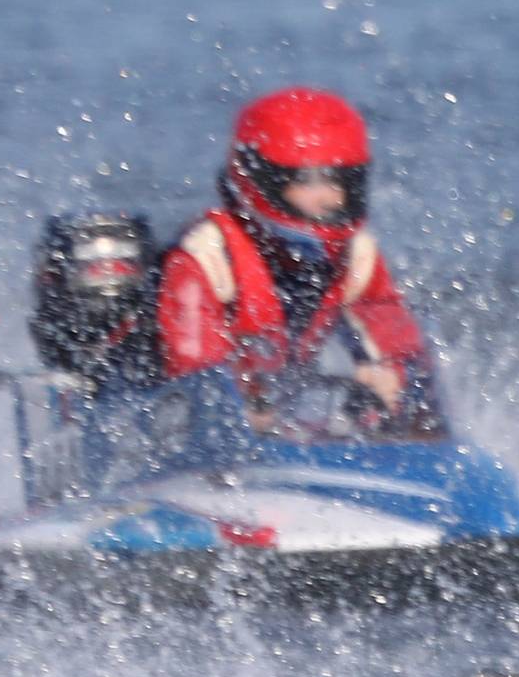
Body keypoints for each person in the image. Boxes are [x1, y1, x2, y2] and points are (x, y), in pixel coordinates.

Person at [156, 87, 434, 427]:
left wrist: (393, 381)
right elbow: (197, 377)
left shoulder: (356, 255)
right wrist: (250, 410)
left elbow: (395, 342)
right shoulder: (207, 257)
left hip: (281, 419)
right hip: (180, 427)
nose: (330, 199)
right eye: (307, 182)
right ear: (260, 178)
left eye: (340, 182)